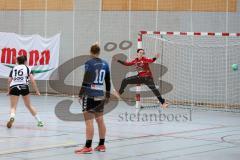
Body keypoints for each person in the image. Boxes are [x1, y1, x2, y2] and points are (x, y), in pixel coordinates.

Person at [75, 43, 111, 154]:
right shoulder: (105, 63)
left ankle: (88, 146)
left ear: (90, 52)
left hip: (89, 94)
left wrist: (80, 93)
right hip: (100, 94)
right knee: (100, 121)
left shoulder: (89, 63)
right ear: (99, 52)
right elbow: (108, 81)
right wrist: (108, 95)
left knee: (88, 121)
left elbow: (86, 80)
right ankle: (101, 145)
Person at [7, 55, 43, 128]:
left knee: (13, 107)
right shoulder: (28, 69)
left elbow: (9, 80)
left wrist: (9, 90)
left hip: (14, 87)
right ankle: (39, 121)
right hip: (24, 87)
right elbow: (32, 81)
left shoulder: (14, 68)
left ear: (17, 61)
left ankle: (12, 117)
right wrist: (37, 91)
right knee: (28, 105)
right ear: (25, 61)